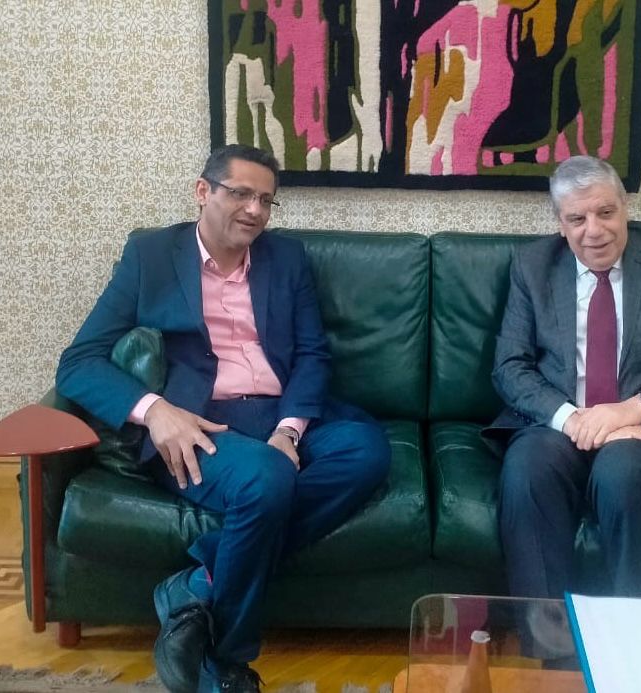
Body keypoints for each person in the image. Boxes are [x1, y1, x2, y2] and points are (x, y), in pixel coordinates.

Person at [55, 144, 391, 693]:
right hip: (199, 421)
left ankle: (199, 582)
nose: (255, 210)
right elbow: (79, 362)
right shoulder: (150, 256)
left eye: (266, 200)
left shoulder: (287, 258)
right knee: (266, 478)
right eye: (240, 193)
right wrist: (155, 411)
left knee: (367, 451)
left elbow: (312, 354)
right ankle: (226, 658)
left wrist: (288, 431)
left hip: (281, 411)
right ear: (202, 191)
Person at [486, 155, 641, 600]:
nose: (594, 230)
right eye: (577, 219)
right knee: (527, 470)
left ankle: (636, 635)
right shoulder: (532, 266)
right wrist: (574, 420)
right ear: (560, 224)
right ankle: (548, 635)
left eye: (606, 212)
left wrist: (636, 408)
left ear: (626, 207)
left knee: (621, 474)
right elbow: (509, 366)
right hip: (557, 425)